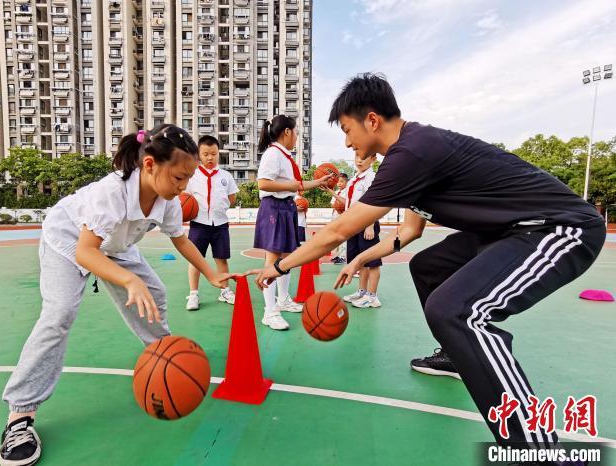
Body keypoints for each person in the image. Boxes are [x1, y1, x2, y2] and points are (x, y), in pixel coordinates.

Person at [253, 73, 605, 451]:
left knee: (458, 312)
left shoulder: (413, 151)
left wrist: (279, 267)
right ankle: (456, 355)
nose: (347, 141)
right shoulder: (409, 155)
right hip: (508, 232)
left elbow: (338, 231)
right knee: (428, 266)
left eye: (347, 129)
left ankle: (538, 448)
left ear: (371, 120)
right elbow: (409, 232)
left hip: (560, 229)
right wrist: (360, 262)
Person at [0, 124, 234, 466]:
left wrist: (212, 273)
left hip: (115, 245)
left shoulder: (168, 200)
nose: (184, 187)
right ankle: (19, 416)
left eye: (188, 180)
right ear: (150, 165)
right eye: (179, 178)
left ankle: (167, 360)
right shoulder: (112, 193)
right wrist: (128, 281)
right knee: (59, 314)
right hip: (69, 242)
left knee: (156, 294)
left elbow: (180, 239)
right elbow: (86, 252)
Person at [254, 114, 333, 330]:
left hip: (285, 208)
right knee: (272, 260)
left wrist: (318, 181)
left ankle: (283, 300)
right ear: (287, 132)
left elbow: (296, 185)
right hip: (274, 209)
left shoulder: (285, 156)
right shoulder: (273, 154)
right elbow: (263, 183)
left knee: (287, 258)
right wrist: (289, 187)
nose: (297, 136)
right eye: (296, 131)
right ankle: (269, 312)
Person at [184, 135, 239, 311]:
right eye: (206, 154)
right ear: (199, 154)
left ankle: (225, 291)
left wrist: (219, 209)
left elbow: (231, 197)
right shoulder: (192, 176)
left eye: (213, 154)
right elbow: (185, 198)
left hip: (220, 223)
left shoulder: (226, 176)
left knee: (221, 259)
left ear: (218, 154)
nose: (210, 158)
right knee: (195, 260)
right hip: (198, 223)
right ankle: (193, 294)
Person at [339, 153, 382, 308]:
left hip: (366, 224)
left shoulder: (371, 177)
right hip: (354, 225)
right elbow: (349, 203)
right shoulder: (353, 179)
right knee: (360, 261)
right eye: (357, 156)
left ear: (373, 159)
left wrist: (370, 224)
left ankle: (373, 296)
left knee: (373, 261)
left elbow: (375, 201)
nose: (359, 160)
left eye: (364, 157)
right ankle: (362, 291)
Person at [325, 173, 349, 263]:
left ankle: (342, 257)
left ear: (347, 182)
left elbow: (346, 204)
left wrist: (340, 206)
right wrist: (336, 206)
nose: (339, 183)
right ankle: (338, 255)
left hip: (343, 216)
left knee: (342, 237)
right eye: (338, 182)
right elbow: (333, 204)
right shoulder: (336, 192)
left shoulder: (347, 191)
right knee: (336, 238)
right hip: (335, 216)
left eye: (342, 181)